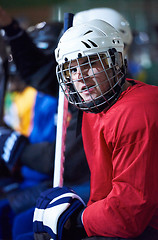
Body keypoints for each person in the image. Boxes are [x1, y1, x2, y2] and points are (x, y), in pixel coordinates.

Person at [33, 19, 158, 240]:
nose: (80, 77)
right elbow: (103, 193)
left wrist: (79, 219)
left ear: (116, 60)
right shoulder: (96, 106)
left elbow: (129, 214)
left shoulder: (138, 112)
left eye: (91, 63)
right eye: (72, 69)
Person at [0, 6, 90, 240]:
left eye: (89, 61)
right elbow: (39, 71)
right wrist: (11, 28)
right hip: (58, 178)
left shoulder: (90, 100)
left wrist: (16, 147)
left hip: (79, 184)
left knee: (16, 221)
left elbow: (64, 160)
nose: (79, 74)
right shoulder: (66, 88)